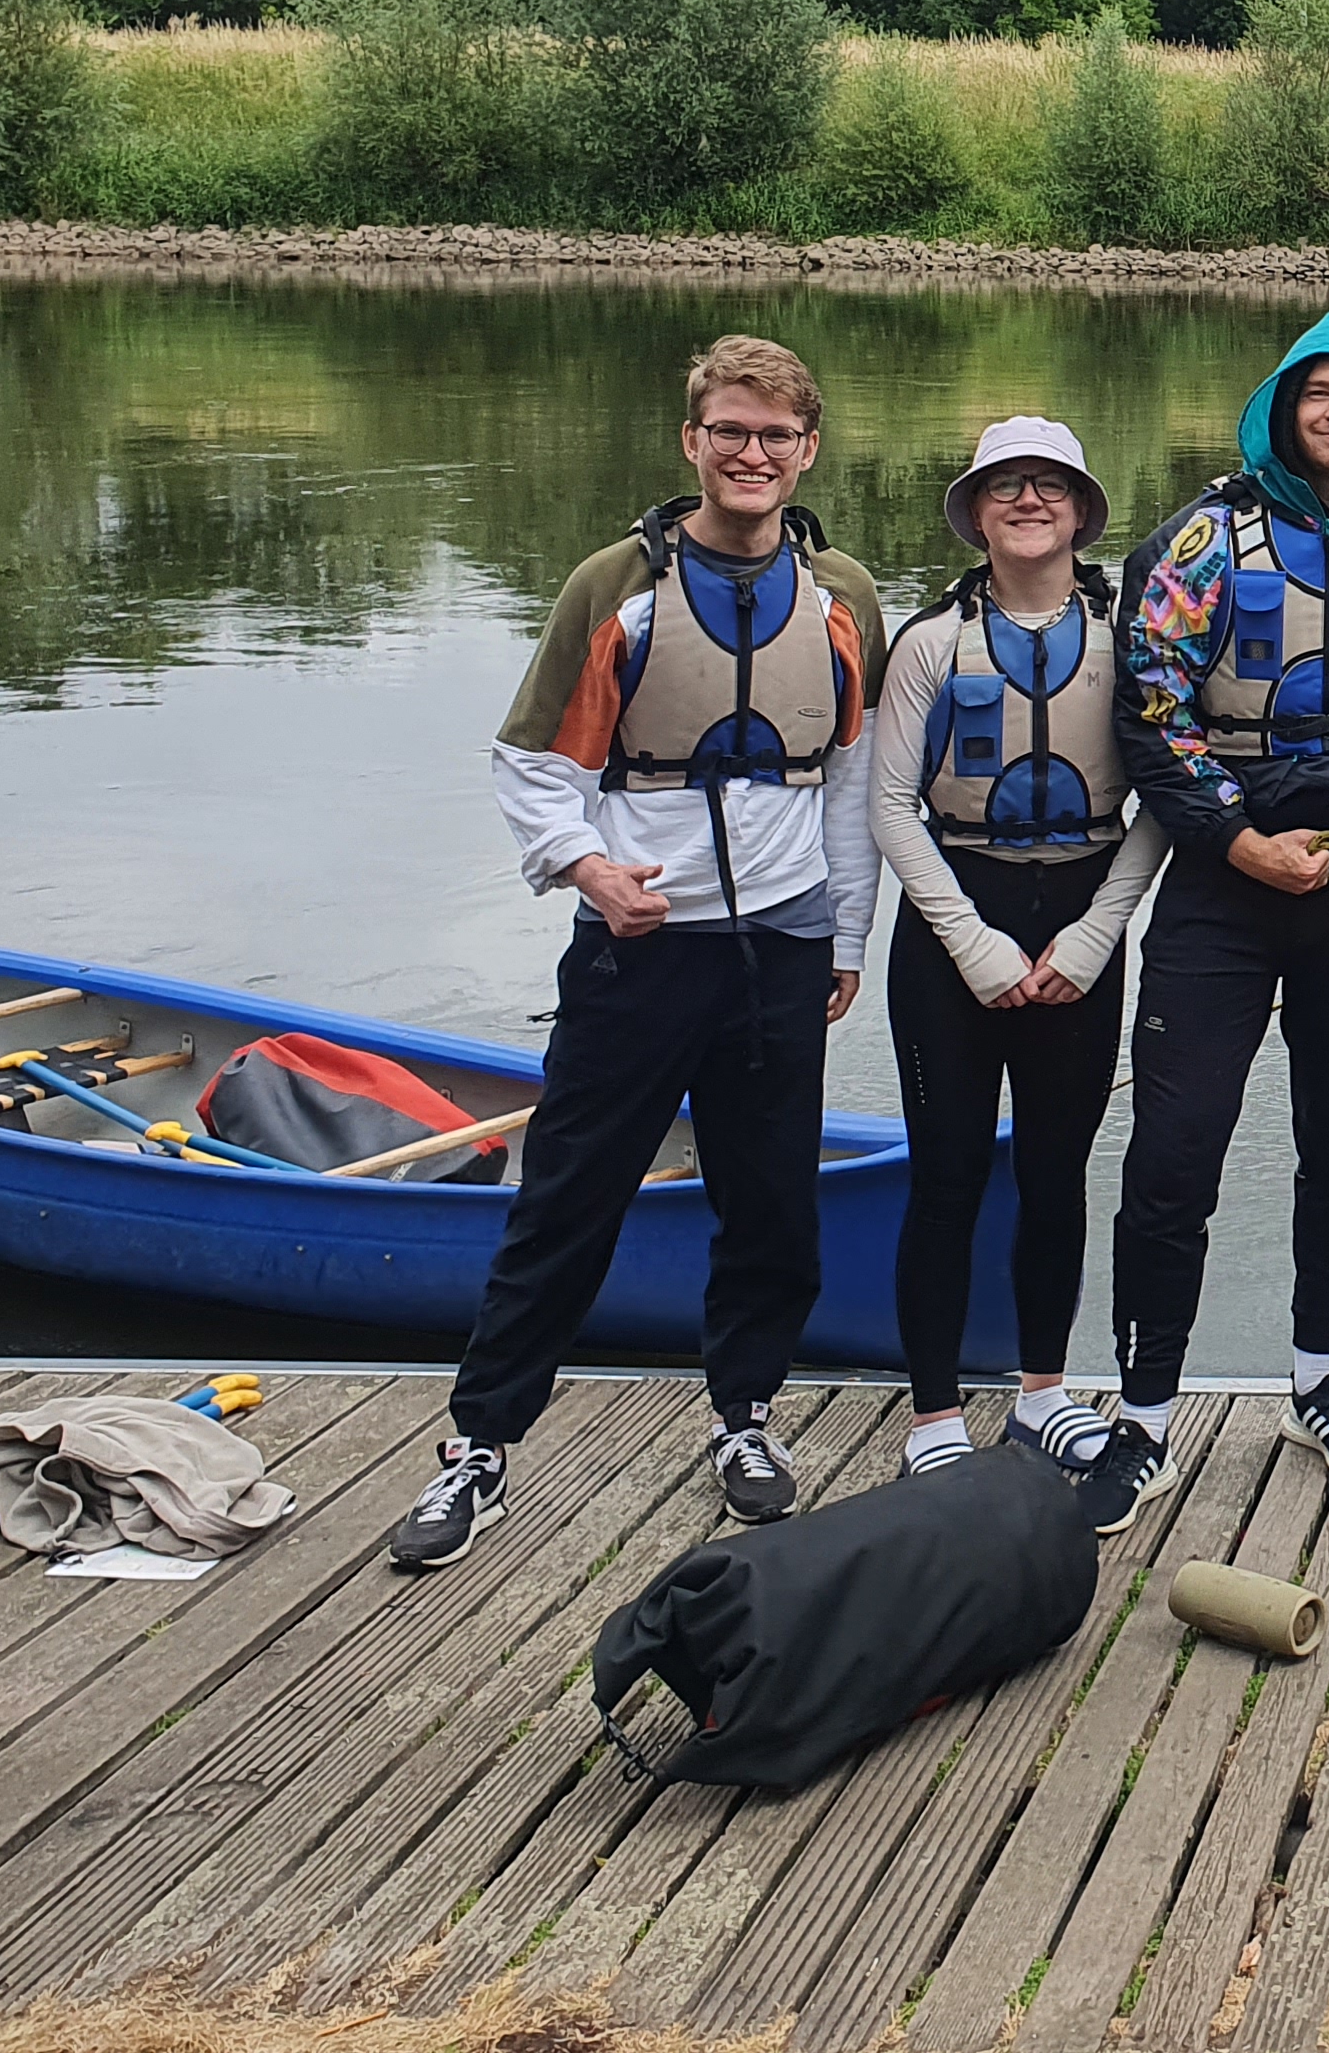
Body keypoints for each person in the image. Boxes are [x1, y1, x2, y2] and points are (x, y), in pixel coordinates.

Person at [391, 333, 886, 1572]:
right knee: (568, 1199)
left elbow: (855, 780)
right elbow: (532, 763)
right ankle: (481, 1446)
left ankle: (746, 1417)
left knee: (772, 1205)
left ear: (807, 449)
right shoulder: (616, 587)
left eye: (775, 435)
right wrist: (588, 869)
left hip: (778, 946)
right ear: (693, 444)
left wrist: (845, 933)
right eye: (729, 430)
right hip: (639, 946)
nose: (752, 453)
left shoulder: (844, 600)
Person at [1111, 312, 1329, 1505]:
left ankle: (1321, 1377)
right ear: (1280, 409)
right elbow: (1152, 709)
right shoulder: (1204, 540)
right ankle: (1146, 1412)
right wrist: (1237, 839)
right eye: (1315, 393)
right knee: (1173, 1154)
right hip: (1229, 879)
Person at [868, 416, 1169, 1525]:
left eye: (1050, 486)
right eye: (1006, 486)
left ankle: (1043, 1389)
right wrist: (973, 943)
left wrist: (1095, 935)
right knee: (945, 1174)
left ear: (1083, 511)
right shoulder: (932, 643)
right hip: (958, 922)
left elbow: (1164, 794)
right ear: (978, 511)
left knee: (1056, 1171)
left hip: (1082, 917)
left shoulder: (1128, 638)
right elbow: (891, 808)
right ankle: (936, 1415)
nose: (1028, 501)